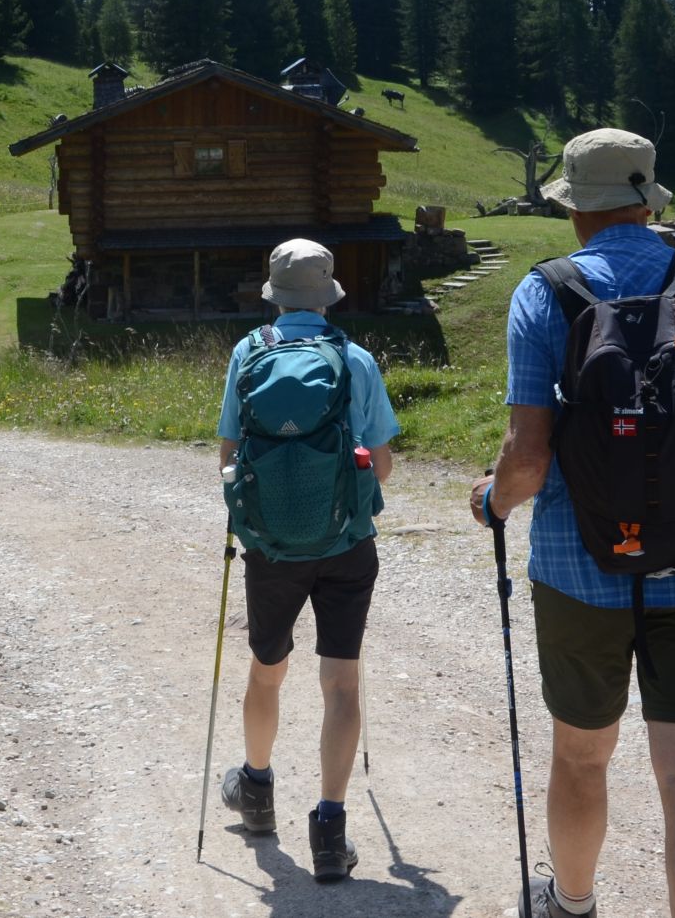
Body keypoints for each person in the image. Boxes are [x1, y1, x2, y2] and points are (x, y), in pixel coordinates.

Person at [469, 129, 675, 918]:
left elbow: (527, 458)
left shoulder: (544, 293)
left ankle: (571, 903)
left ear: (576, 209)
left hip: (578, 568)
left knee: (580, 757)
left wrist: (493, 503)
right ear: (648, 203)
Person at [217, 238, 400, 882]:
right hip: (347, 545)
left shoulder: (248, 354)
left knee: (267, 669)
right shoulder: (355, 359)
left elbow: (229, 457)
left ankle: (256, 792)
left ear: (274, 295)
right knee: (341, 683)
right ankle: (330, 830)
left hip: (271, 547)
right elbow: (381, 464)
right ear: (328, 295)